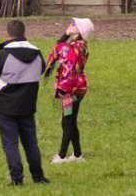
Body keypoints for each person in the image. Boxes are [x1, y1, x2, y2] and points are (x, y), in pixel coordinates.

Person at [0, 18, 50, 186]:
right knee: (31, 142)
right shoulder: (37, 53)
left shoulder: (3, 54)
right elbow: (41, 69)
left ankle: (17, 178)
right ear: (24, 33)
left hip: (5, 105)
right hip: (28, 103)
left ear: (6, 34)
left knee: (10, 143)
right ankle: (38, 176)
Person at [44, 16, 94, 164]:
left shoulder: (73, 48)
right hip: (78, 88)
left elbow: (57, 49)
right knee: (71, 121)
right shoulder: (81, 46)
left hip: (69, 89)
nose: (71, 25)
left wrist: (65, 34)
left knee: (67, 122)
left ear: (80, 31)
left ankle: (61, 156)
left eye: (74, 24)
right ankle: (77, 155)